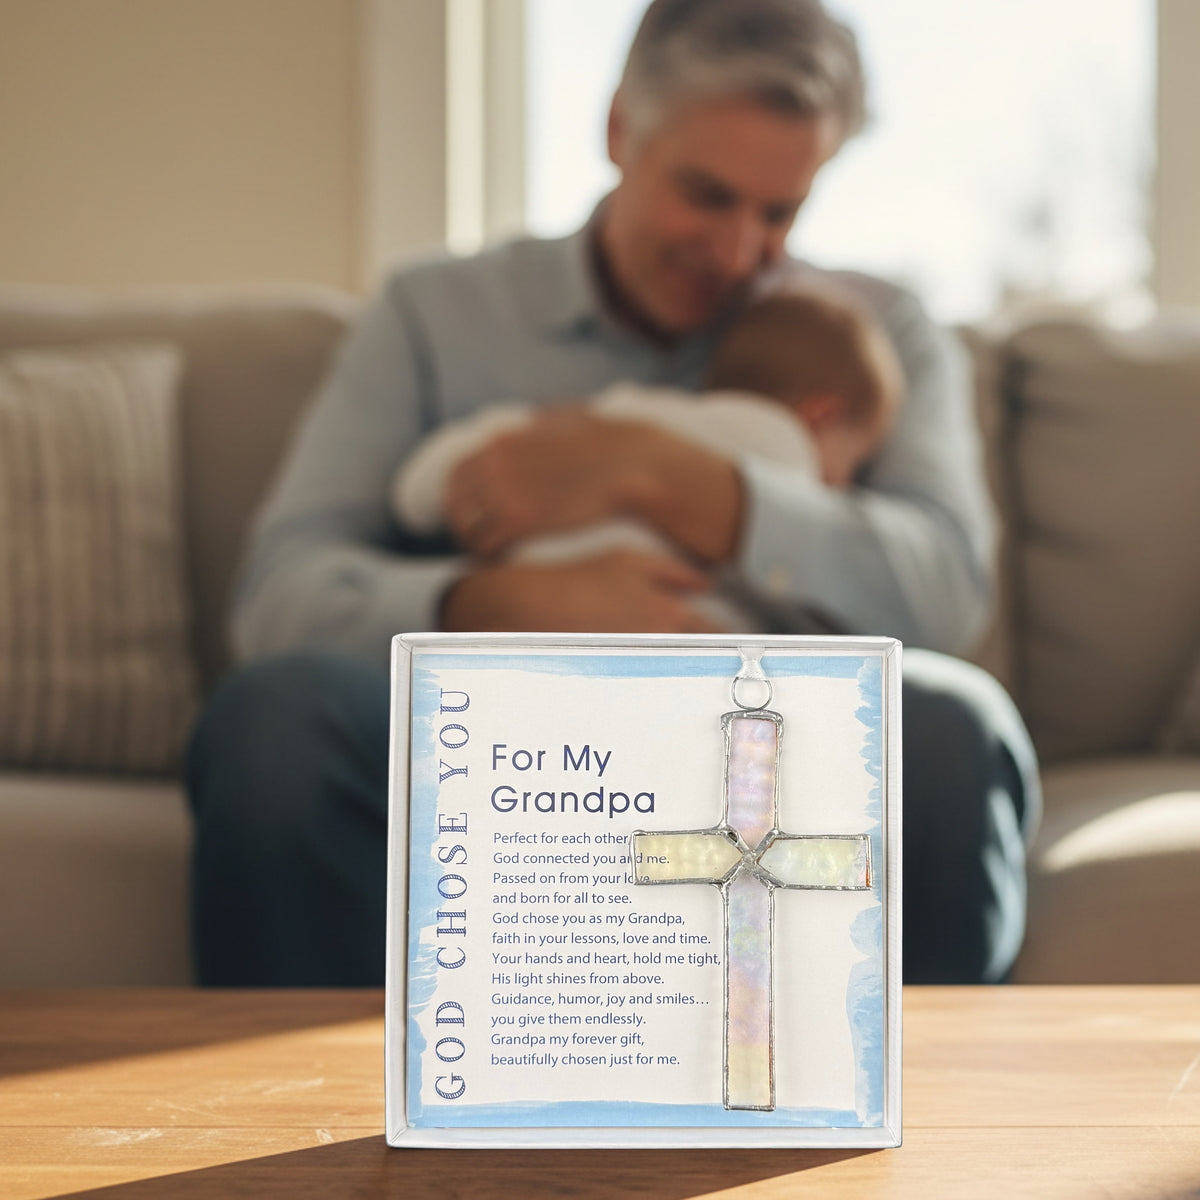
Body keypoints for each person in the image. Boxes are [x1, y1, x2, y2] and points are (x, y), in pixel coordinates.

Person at [187, 0, 1041, 987]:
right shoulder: (434, 313)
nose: (738, 252)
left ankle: (918, 1131)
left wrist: (672, 476)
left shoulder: (875, 338)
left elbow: (944, 590)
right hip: (489, 735)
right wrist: (494, 604)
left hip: (771, 735)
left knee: (950, 727)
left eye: (780, 212)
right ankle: (303, 1122)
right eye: (707, 195)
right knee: (277, 722)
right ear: (618, 133)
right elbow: (280, 595)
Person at [391, 289, 902, 633]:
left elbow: (424, 486)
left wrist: (445, 486)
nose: (843, 486)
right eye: (852, 464)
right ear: (821, 415)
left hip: (528, 627)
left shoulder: (621, 411)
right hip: (666, 628)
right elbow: (804, 594)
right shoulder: (788, 452)